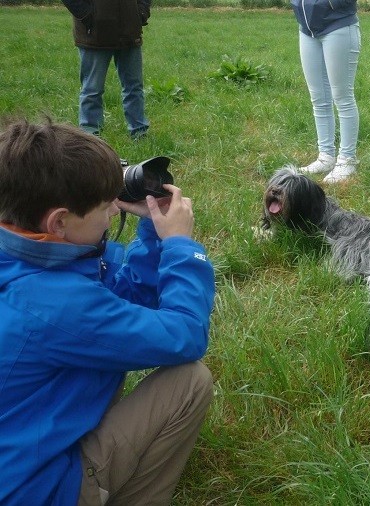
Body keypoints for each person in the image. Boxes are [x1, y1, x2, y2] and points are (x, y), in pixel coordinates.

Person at [0, 118, 215, 505]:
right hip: (37, 488)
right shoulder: (53, 304)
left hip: (19, 451)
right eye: (104, 207)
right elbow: (185, 334)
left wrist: (151, 231)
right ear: (60, 221)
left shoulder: (29, 255)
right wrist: (181, 246)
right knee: (189, 382)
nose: (114, 213)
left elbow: (121, 301)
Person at [290, 0, 361, 183]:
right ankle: (326, 157)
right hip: (306, 29)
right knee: (318, 98)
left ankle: (347, 160)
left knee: (343, 98)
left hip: (338, 25)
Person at [62, 0, 151, 139]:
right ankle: (90, 138)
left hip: (130, 30)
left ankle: (139, 132)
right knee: (92, 89)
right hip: (95, 33)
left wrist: (141, 12)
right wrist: (87, 15)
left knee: (134, 87)